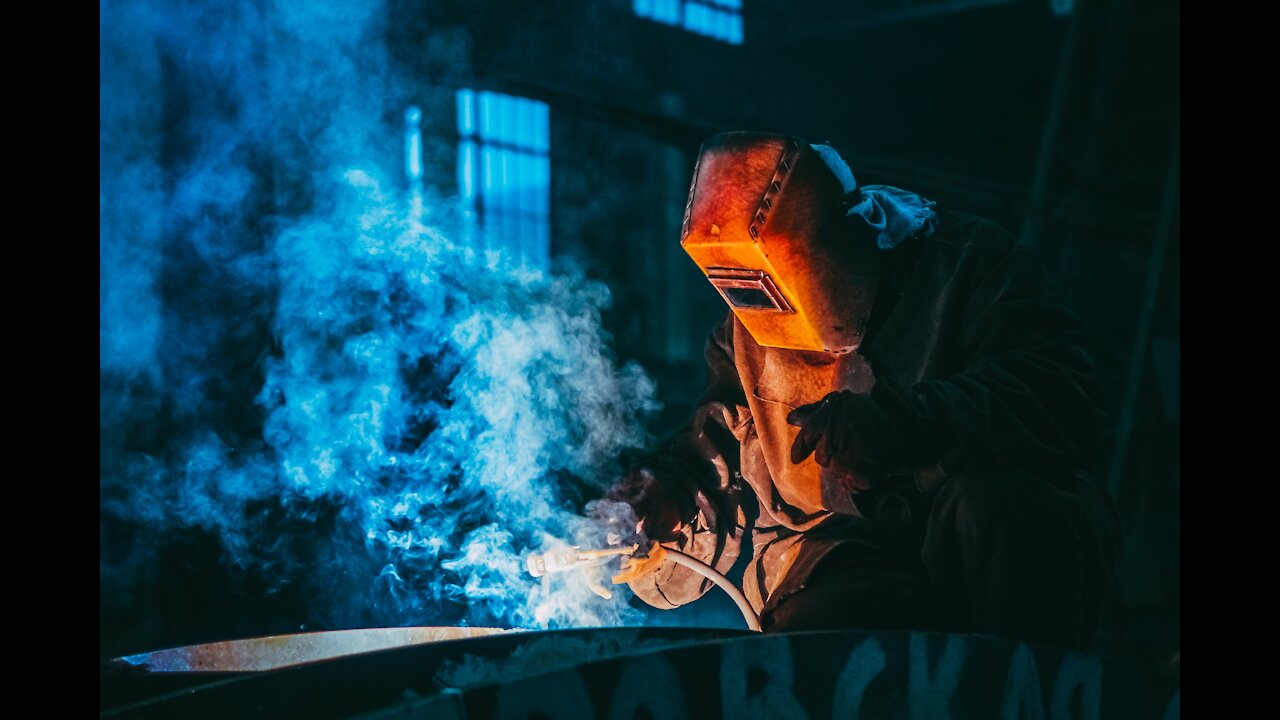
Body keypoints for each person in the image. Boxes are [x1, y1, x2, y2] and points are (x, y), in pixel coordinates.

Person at [609, 131, 1120, 648]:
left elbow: (1063, 391)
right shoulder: (746, 325)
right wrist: (665, 501)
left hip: (973, 537)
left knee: (1004, 511)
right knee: (824, 643)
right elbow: (720, 458)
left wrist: (910, 425)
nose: (778, 326)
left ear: (848, 236)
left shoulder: (972, 266)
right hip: (839, 553)